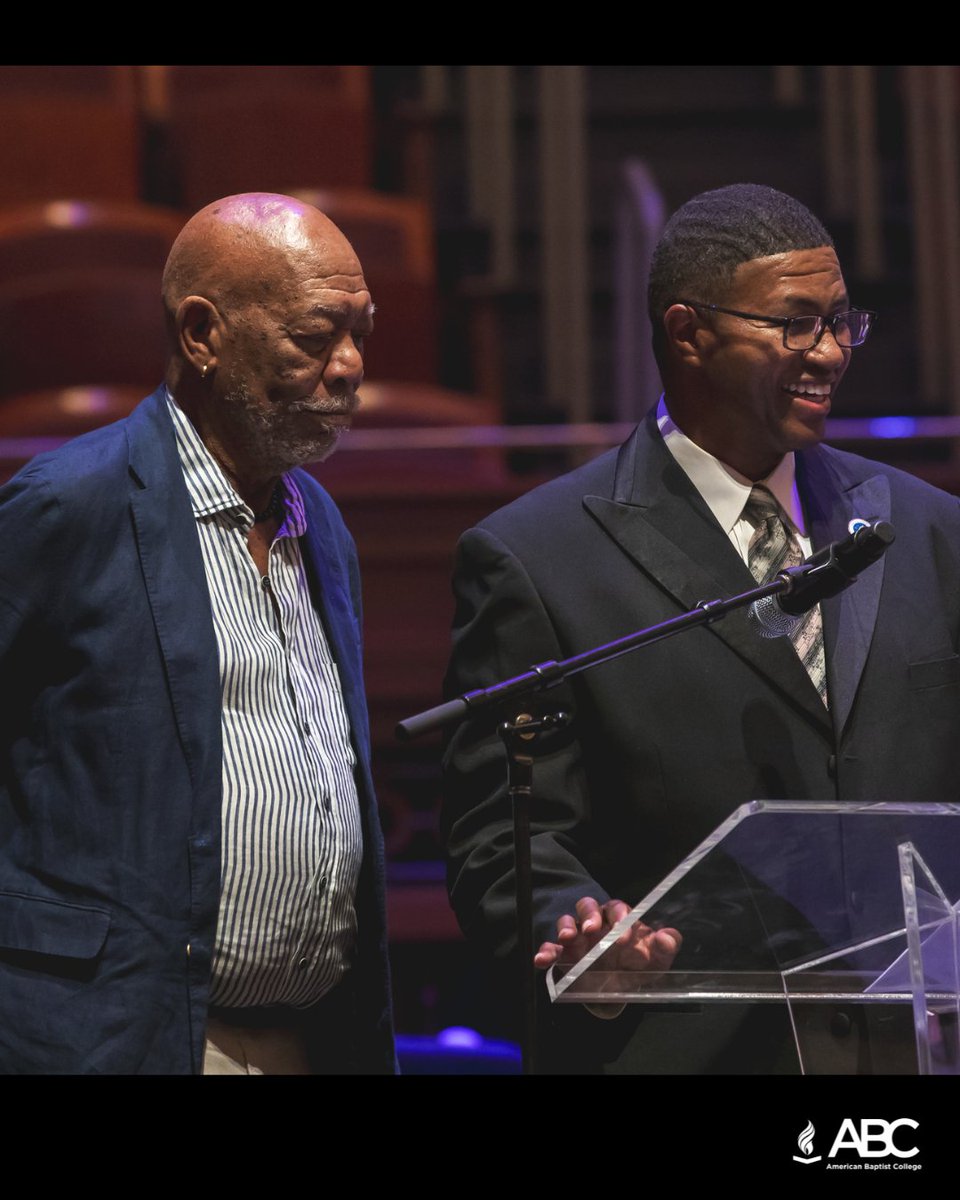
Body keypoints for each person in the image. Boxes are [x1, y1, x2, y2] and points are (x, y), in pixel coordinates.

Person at [442, 183, 960, 1073]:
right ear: (688, 333)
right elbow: (510, 837)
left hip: (912, 1061)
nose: (831, 353)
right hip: (689, 1050)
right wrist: (582, 932)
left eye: (842, 321)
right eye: (797, 324)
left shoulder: (929, 530)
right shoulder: (538, 557)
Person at [0, 193, 395, 1074]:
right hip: (123, 1040)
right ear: (202, 334)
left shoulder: (318, 518)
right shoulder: (72, 505)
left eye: (363, 332)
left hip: (308, 1038)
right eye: (314, 336)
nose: (350, 368)